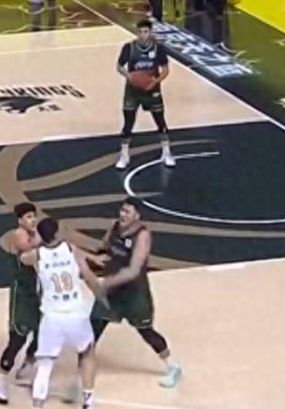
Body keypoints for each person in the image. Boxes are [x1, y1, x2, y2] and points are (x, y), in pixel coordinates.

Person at [87, 197, 182, 388]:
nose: (122, 214)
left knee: (146, 331)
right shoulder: (114, 227)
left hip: (133, 292)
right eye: (122, 210)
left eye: (127, 212)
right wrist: (92, 260)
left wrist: (108, 282)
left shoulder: (142, 235)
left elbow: (133, 270)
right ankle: (83, 375)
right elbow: (104, 249)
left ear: (137, 216)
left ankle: (172, 366)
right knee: (93, 328)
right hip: (112, 291)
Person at [20, 217, 108, 409]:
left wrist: (35, 240)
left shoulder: (36, 255)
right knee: (87, 353)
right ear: (57, 232)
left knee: (45, 365)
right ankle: (88, 401)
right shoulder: (70, 249)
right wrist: (102, 298)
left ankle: (38, 405)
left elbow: (23, 258)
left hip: (52, 316)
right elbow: (90, 278)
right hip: (76, 313)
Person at [0, 203, 42, 405]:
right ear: (20, 220)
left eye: (34, 216)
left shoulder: (35, 234)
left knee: (43, 331)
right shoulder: (18, 234)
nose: (33, 220)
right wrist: (44, 237)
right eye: (28, 217)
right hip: (22, 293)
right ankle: (1, 385)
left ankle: (28, 364)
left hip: (38, 291)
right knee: (17, 339)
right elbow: (29, 248)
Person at [115, 19, 175, 169]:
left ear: (150, 32)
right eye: (140, 32)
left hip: (152, 89)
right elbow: (119, 66)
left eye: (146, 32)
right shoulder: (129, 47)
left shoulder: (158, 48)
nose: (143, 35)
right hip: (133, 90)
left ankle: (166, 153)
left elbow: (165, 70)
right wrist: (130, 77)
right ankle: (124, 155)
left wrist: (155, 82)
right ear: (137, 32)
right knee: (128, 123)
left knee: (160, 121)